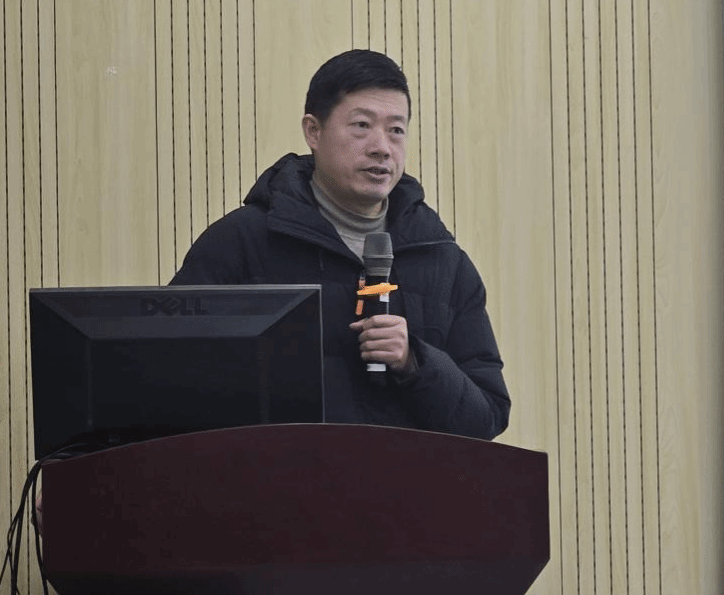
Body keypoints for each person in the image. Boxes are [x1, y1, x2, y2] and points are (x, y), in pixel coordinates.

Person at [171, 49, 509, 440]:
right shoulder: (240, 243)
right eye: (362, 125)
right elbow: (174, 380)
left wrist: (416, 361)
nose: (382, 147)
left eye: (396, 130)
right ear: (313, 131)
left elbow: (487, 418)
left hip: (404, 477)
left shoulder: (443, 261)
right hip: (279, 474)